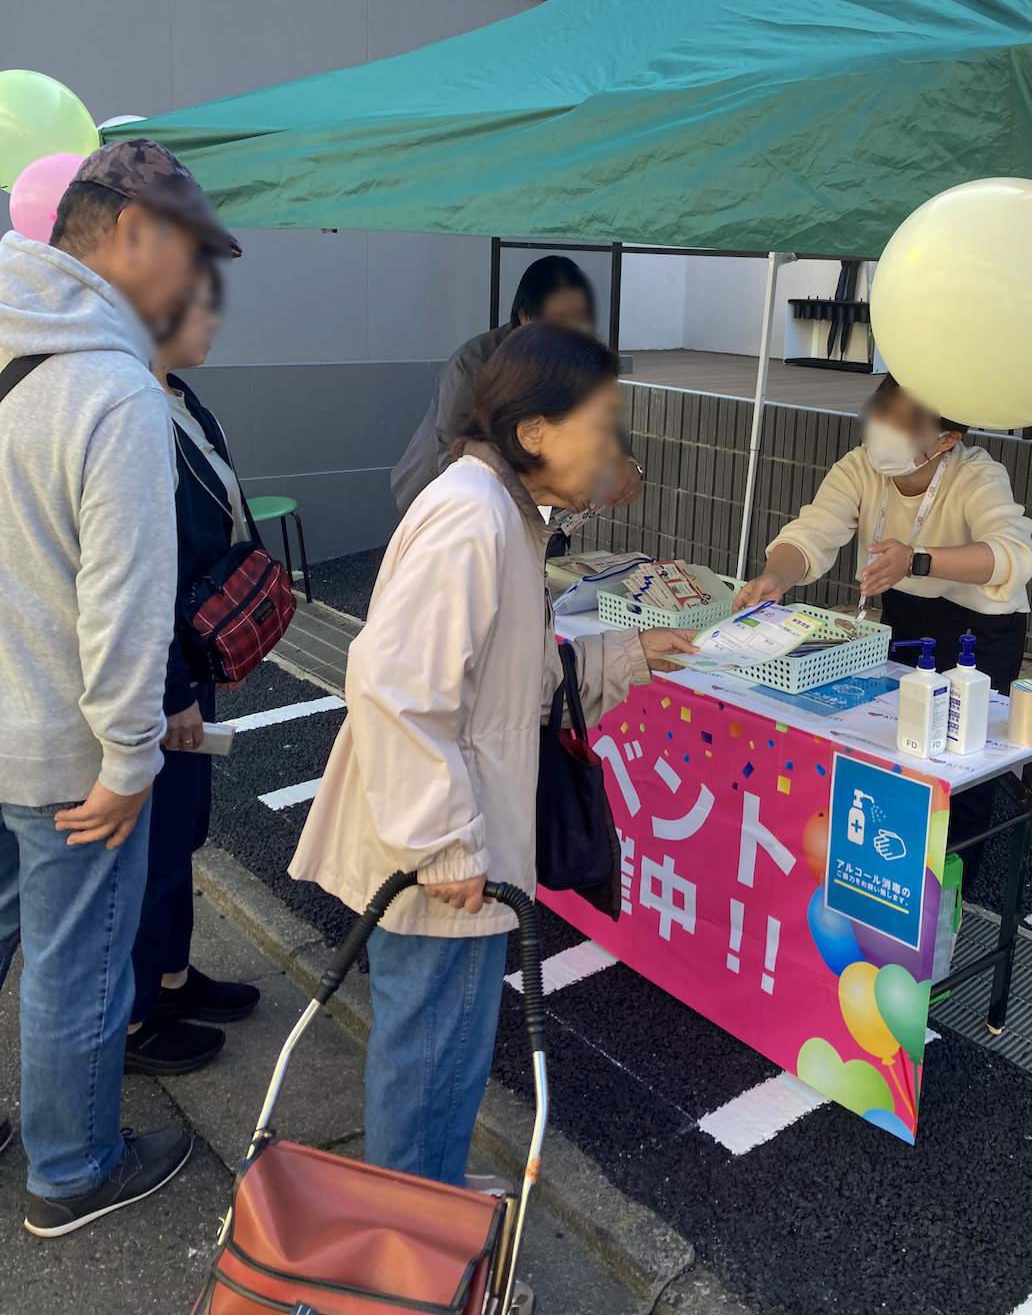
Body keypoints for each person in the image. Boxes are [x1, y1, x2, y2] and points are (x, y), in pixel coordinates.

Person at [291, 323, 694, 1192]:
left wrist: (631, 653)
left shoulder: (504, 513)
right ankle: (413, 1247)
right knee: (432, 1054)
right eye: (603, 422)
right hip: (443, 851)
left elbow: (519, 684)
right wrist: (446, 842)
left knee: (445, 1052)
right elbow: (394, 689)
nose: (613, 447)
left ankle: (423, 1207)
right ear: (538, 431)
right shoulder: (473, 516)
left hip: (456, 843)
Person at [0, 138, 239, 1237]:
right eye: (189, 253)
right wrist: (133, 757)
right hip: (65, 749)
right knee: (77, 968)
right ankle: (73, 1167)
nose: (195, 282)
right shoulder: (111, 388)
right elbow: (124, 609)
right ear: (132, 232)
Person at [736, 373, 1032, 884]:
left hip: (982, 628)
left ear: (946, 439)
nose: (883, 430)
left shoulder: (978, 477)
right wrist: (773, 577)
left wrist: (918, 559)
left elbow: (1014, 556)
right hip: (907, 611)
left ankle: (953, 882)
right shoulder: (860, 466)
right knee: (902, 732)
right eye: (882, 412)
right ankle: (893, 868)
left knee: (962, 755)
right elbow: (812, 532)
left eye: (904, 422)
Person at [124, 261, 261, 1078]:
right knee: (158, 837)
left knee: (186, 830)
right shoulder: (136, 410)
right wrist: (176, 686)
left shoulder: (181, 398)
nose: (214, 320)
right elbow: (144, 568)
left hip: (195, 653)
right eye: (202, 307)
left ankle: (172, 976)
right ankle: (138, 1016)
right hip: (161, 664)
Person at [390, 254, 641, 522]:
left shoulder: (574, 357)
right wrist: (540, 493)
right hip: (443, 496)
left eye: (579, 320)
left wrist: (627, 463)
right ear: (525, 316)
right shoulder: (474, 363)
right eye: (560, 319)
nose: (571, 331)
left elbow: (598, 415)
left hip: (531, 507)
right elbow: (455, 453)